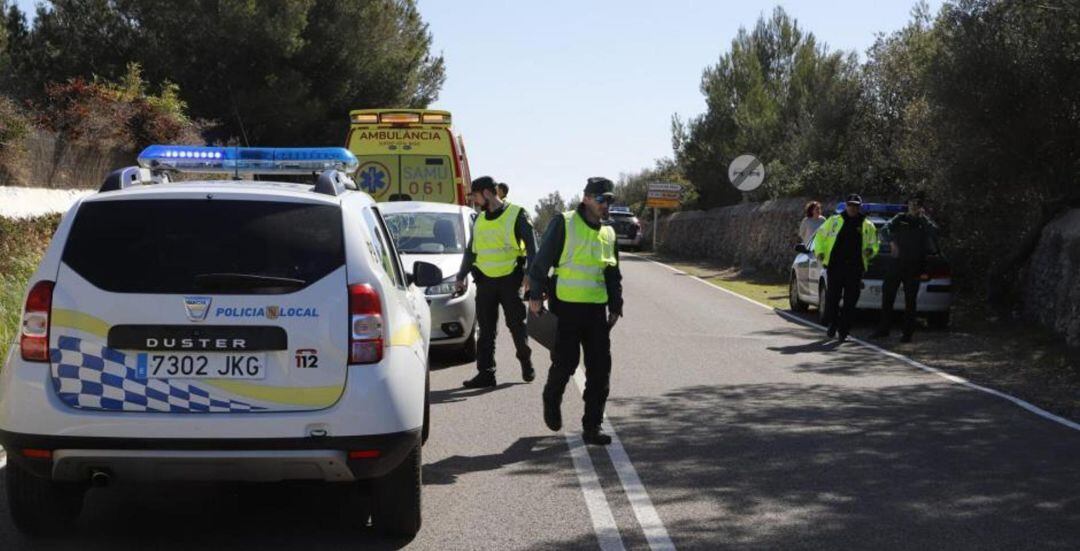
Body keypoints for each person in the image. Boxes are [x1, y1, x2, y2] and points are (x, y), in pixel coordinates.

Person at [529, 177, 623, 446]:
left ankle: (592, 427)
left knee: (600, 369)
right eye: (602, 199)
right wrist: (535, 294)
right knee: (566, 362)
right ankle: (551, 397)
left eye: (610, 200)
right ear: (587, 198)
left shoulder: (609, 232)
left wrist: (616, 304)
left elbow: (612, 273)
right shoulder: (564, 222)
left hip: (596, 311)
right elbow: (542, 260)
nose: (606, 205)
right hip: (565, 307)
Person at [455, 176, 536, 387]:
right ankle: (486, 374)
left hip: (510, 280)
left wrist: (530, 274)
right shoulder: (479, 219)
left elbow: (532, 246)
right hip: (485, 282)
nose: (474, 199)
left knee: (516, 325)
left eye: (476, 195)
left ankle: (525, 361)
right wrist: (461, 275)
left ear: (487, 193)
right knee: (486, 331)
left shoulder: (516, 214)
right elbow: (471, 250)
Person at [871, 194, 938, 343]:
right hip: (896, 264)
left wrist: (924, 218)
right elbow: (884, 231)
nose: (913, 207)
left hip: (914, 266)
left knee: (910, 301)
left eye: (917, 204)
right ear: (907, 205)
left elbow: (935, 232)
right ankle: (883, 329)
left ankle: (907, 334)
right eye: (911, 204)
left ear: (921, 207)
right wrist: (892, 242)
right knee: (888, 297)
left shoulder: (923, 222)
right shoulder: (899, 218)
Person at [813, 194, 879, 342]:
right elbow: (820, 237)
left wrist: (871, 251)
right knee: (832, 299)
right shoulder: (834, 221)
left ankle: (844, 330)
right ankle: (833, 324)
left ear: (859, 207)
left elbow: (874, 244)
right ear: (846, 205)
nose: (853, 208)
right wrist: (820, 252)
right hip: (835, 266)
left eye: (856, 205)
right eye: (851, 205)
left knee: (850, 301)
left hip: (855, 268)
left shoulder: (867, 225)